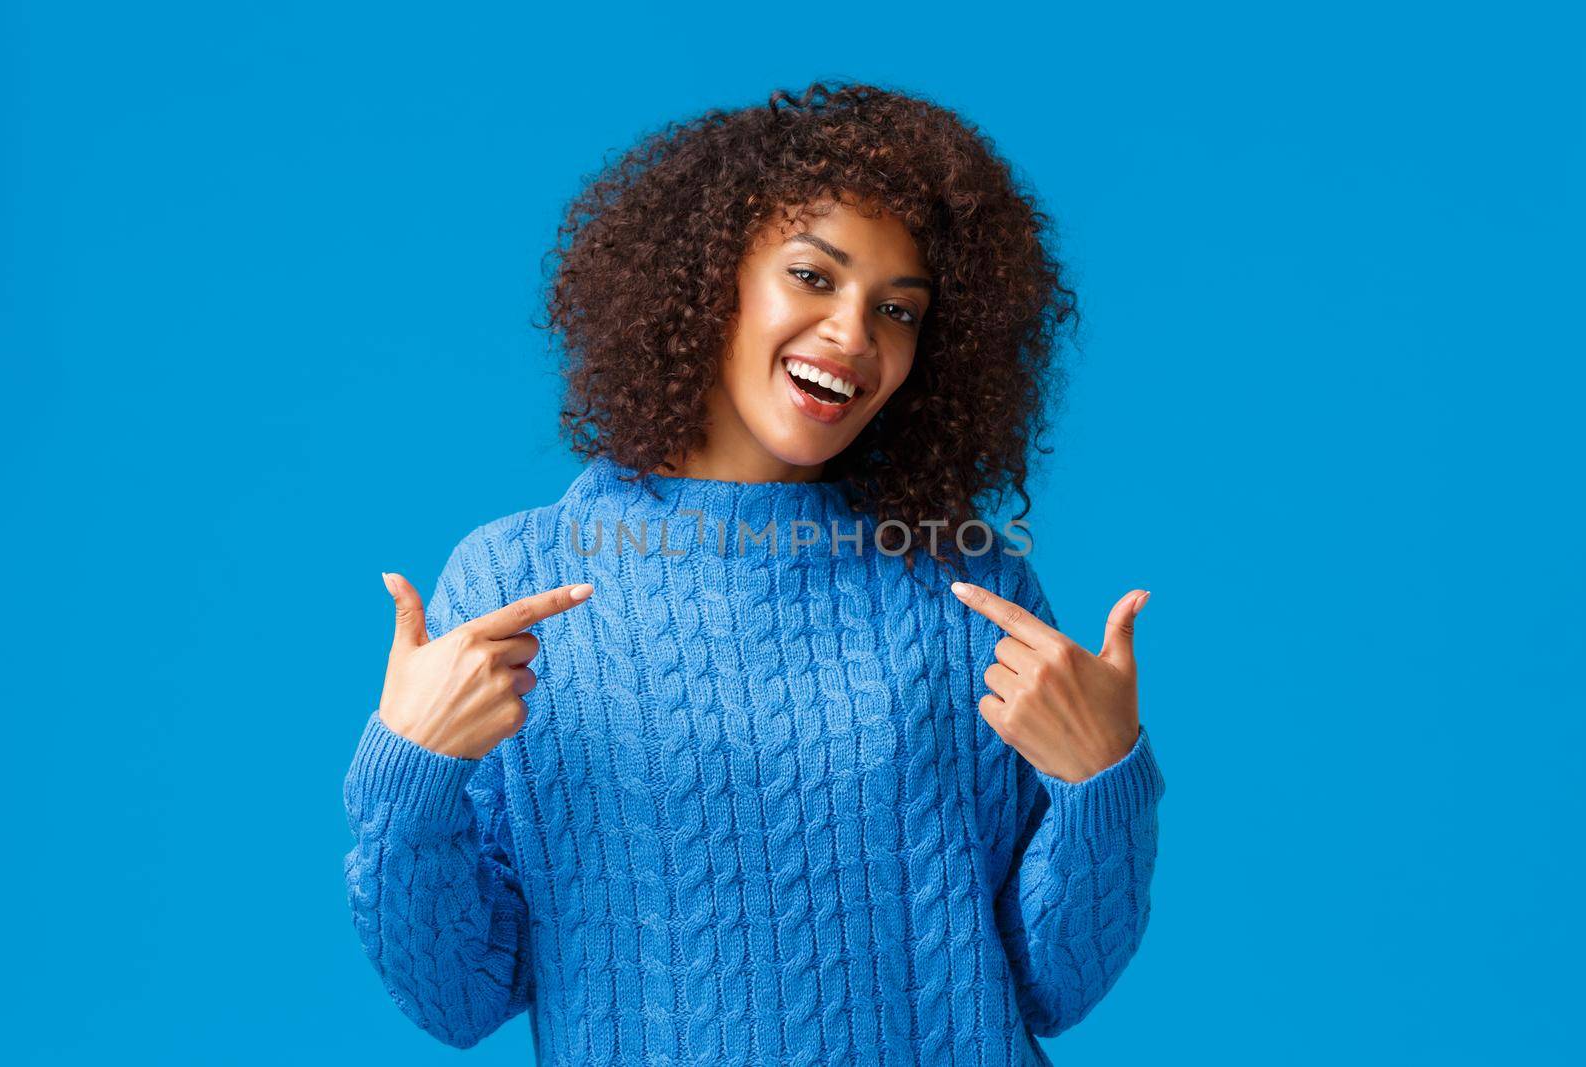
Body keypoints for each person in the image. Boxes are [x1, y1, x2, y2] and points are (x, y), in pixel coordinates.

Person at [342, 80, 1166, 1065]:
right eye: (814, 276)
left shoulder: (963, 586)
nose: (854, 336)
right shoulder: (518, 579)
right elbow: (455, 997)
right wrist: (409, 766)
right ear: (710, 275)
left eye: (898, 309)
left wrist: (1104, 780)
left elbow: (1053, 983)